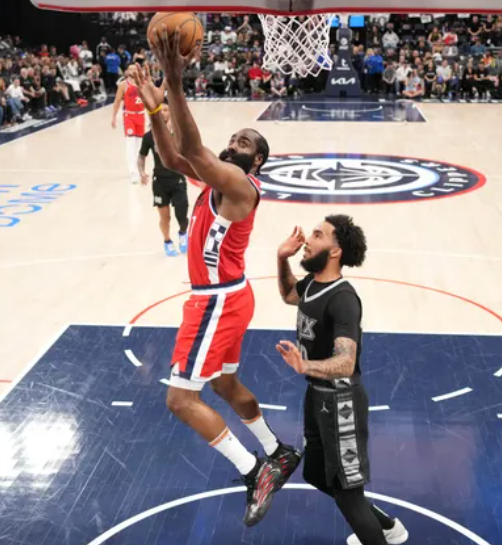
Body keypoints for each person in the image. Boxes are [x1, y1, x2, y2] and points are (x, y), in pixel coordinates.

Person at [129, 29, 299, 527]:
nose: (233, 144)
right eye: (233, 139)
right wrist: (156, 108)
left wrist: (174, 82)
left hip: (217, 300)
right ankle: (276, 450)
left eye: (243, 142)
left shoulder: (240, 184)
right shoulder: (214, 180)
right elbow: (172, 157)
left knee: (180, 399)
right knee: (225, 384)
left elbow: (193, 148)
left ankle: (253, 471)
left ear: (256, 160)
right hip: (229, 295)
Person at [275, 218, 409, 545]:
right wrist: (281, 258)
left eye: (317, 235)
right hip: (316, 395)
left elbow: (346, 362)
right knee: (316, 474)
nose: (308, 239)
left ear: (335, 251)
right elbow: (289, 294)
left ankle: (380, 535)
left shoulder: (343, 299)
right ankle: (387, 527)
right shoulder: (312, 283)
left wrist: (305, 364)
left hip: (341, 402)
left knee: (348, 494)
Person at [139, 103, 189, 256]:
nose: (163, 113)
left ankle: (182, 233)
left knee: (182, 215)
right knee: (164, 217)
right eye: (160, 111)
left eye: (166, 110)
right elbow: (141, 156)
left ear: (171, 113)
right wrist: (141, 171)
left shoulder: (179, 135)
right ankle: (167, 241)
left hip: (178, 180)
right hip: (160, 182)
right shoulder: (149, 136)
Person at [112, 65, 148, 184]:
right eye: (131, 69)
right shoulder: (124, 84)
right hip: (129, 116)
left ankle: (139, 169)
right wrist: (114, 117)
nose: (133, 70)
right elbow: (117, 100)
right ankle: (132, 172)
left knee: (139, 146)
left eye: (135, 68)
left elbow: (148, 100)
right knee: (130, 144)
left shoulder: (143, 83)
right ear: (127, 71)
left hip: (141, 116)